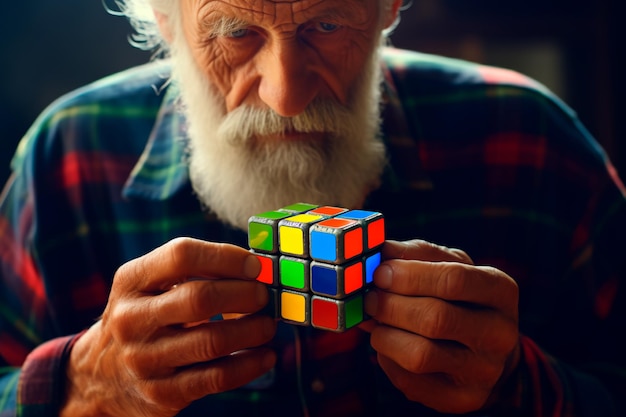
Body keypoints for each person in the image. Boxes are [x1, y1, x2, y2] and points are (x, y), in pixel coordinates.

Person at [1, 0, 625, 415]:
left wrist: (518, 382)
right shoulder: (68, 153)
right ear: (166, 18)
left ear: (388, 6)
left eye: (326, 25)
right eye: (236, 32)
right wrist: (86, 386)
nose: (287, 95)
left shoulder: (532, 137)